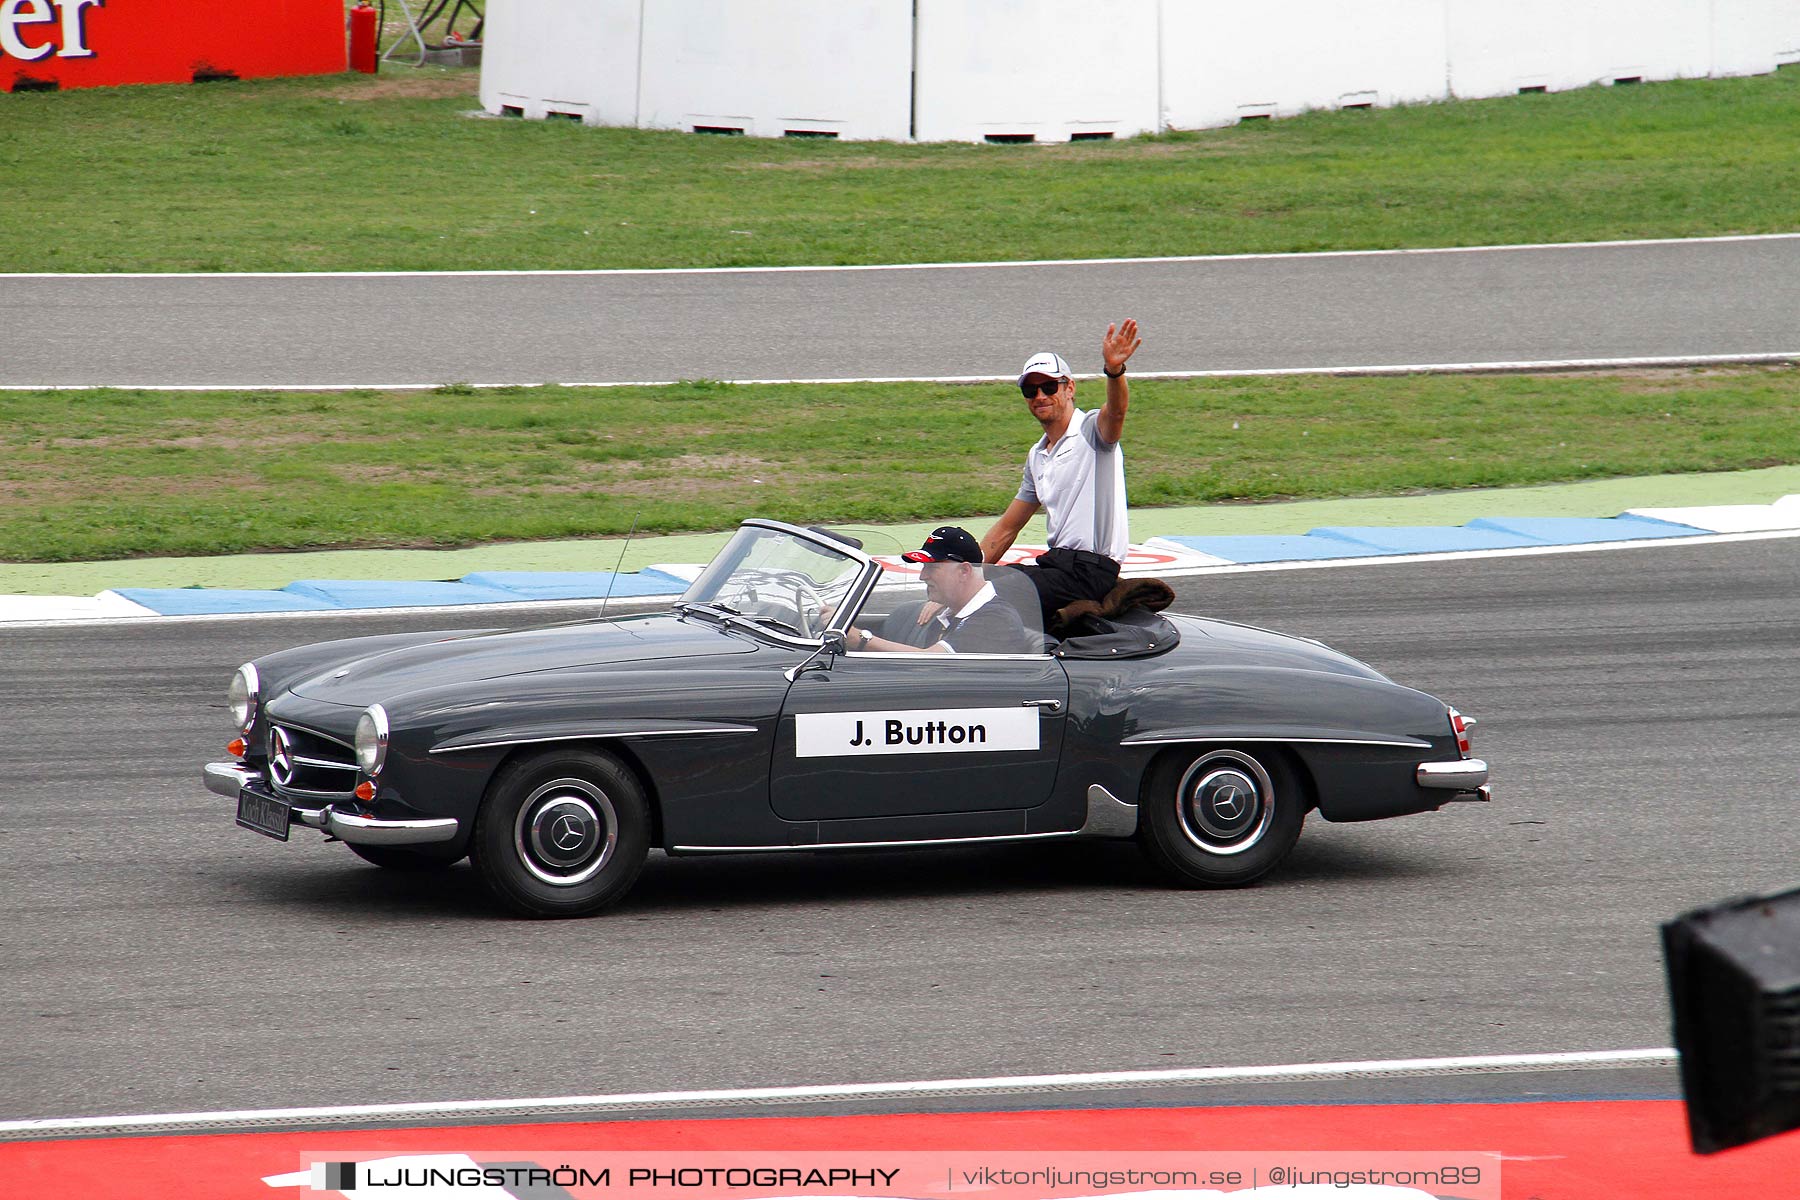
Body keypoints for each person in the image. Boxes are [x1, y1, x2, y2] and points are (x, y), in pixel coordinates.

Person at [981, 319, 1142, 628]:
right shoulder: (1036, 455)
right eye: (1031, 390)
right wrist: (965, 576)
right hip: (1056, 565)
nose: (1040, 395)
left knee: (993, 593)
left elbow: (1117, 412)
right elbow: (1006, 529)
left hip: (1090, 572)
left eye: (1049, 386)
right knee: (983, 584)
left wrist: (1114, 372)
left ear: (1070, 388)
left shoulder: (1092, 432)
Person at [846, 527, 1035, 655]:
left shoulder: (995, 619)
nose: (922, 576)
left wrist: (862, 640)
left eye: (932, 568)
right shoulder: (950, 614)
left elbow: (933, 660)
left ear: (964, 571)